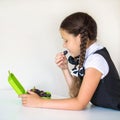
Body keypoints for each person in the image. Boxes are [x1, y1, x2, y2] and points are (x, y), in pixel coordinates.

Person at [20, 12, 120, 110]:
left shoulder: (96, 60)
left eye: (66, 40)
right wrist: (65, 69)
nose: (64, 45)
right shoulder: (89, 57)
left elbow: (79, 104)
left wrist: (40, 102)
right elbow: (76, 94)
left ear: (80, 38)